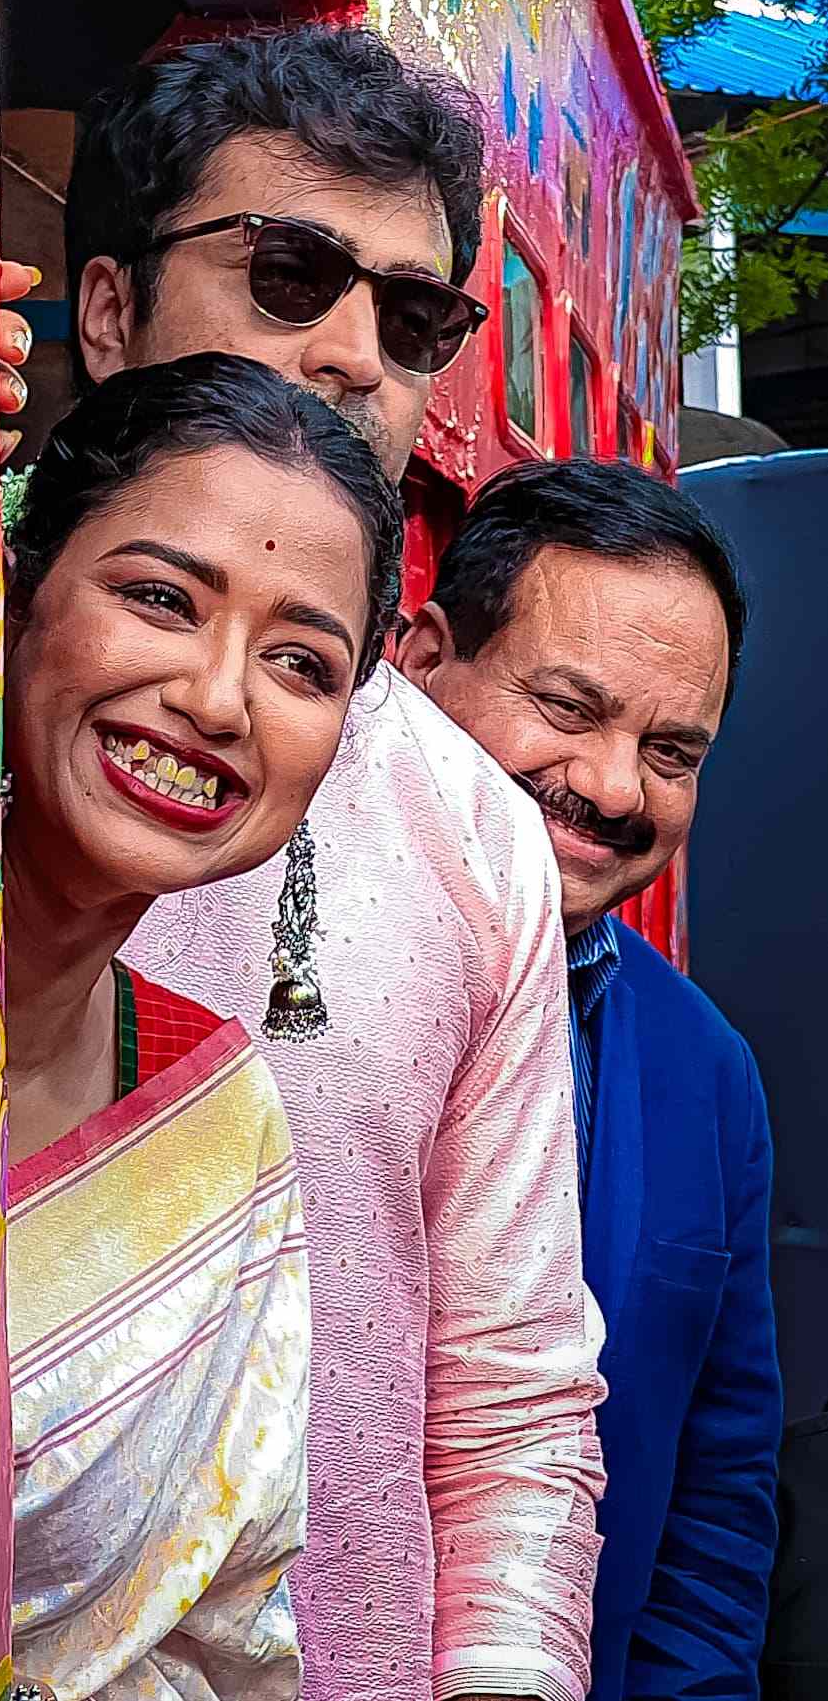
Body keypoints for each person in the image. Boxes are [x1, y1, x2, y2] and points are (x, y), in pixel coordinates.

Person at [55, 25, 603, 1701]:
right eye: (289, 272)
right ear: (105, 312)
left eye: (414, 312)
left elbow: (508, 1384)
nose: (357, 351)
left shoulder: (474, 834)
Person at [3, 352, 403, 1701]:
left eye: (301, 661)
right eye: (159, 599)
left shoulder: (216, 1117)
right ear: (13, 591)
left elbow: (217, 1630)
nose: (219, 700)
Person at [399, 458, 783, 1701]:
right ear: (419, 661)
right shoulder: (251, 960)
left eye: (669, 749)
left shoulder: (704, 1069)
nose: (615, 786)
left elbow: (715, 1495)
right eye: (568, 706)